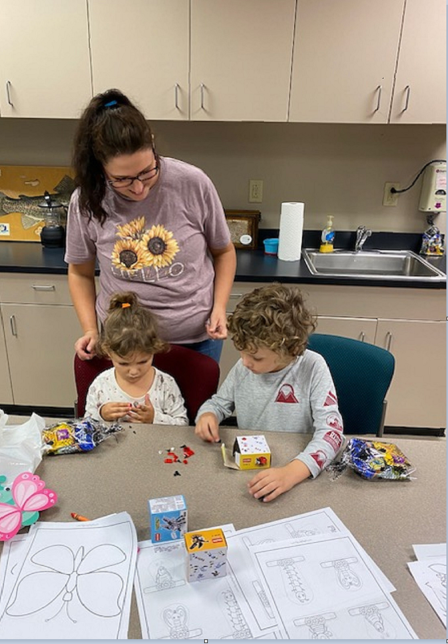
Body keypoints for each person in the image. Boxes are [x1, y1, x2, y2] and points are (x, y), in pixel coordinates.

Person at [65, 88, 236, 364]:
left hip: (195, 338)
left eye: (147, 171)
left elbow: (224, 252)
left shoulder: (193, 183)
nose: (139, 188)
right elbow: (80, 272)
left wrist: (219, 308)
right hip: (125, 341)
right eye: (122, 179)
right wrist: (90, 329)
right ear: (100, 168)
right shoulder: (87, 201)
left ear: (153, 145)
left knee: (196, 407)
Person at [195, 283, 344, 502]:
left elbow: (332, 434)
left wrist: (292, 473)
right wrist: (208, 415)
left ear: (289, 351)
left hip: (297, 468)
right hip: (249, 469)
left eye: (256, 358)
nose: (245, 363)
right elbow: (218, 404)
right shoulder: (243, 367)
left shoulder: (313, 367)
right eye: (243, 353)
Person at [85, 291, 188, 425]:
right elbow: (86, 425)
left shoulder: (165, 384)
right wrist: (101, 415)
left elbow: (183, 424)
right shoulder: (101, 385)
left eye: (143, 361)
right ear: (108, 352)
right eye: (124, 364)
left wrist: (154, 419)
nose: (134, 371)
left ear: (154, 350)